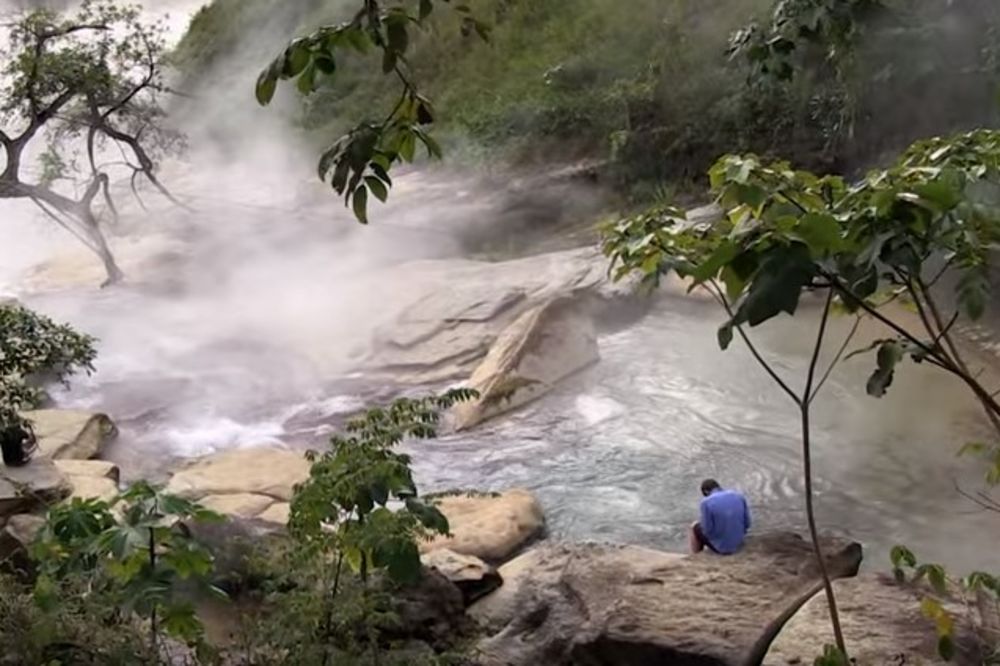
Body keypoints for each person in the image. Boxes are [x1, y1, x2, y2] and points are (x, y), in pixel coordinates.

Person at [688, 478, 751, 555]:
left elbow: (707, 530)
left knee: (694, 526)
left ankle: (695, 555)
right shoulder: (739, 496)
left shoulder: (706, 503)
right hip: (739, 544)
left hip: (722, 548)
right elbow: (748, 523)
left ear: (706, 492)